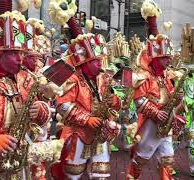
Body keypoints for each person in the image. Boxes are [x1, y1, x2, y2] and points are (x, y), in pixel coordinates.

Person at [49, 1, 121, 179]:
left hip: (100, 133)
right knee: (73, 174)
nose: (100, 64)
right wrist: (87, 119)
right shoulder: (71, 77)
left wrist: (115, 101)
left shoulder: (103, 78)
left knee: (101, 174)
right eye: (96, 60)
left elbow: (113, 101)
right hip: (78, 134)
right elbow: (62, 106)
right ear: (84, 61)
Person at [0, 1, 51, 179]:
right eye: (14, 53)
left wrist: (40, 110)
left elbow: (46, 112)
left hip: (19, 160)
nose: (20, 59)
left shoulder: (27, 77)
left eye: (22, 53)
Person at [126, 1, 186, 179]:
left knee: (167, 160)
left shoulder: (166, 75)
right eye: (165, 58)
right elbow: (138, 100)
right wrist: (154, 112)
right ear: (155, 59)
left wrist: (178, 97)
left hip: (165, 125)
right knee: (141, 159)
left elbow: (170, 97)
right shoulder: (144, 75)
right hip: (150, 126)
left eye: (168, 57)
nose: (168, 61)